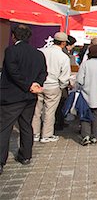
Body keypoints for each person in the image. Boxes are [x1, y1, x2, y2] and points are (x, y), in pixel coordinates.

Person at [0, 24, 47, 174]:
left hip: (12, 97)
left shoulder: (11, 51)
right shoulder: (38, 53)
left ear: (14, 36)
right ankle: (26, 155)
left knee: (4, 128)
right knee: (26, 125)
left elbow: (12, 72)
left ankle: (1, 161)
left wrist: (28, 86)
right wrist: (35, 85)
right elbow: (43, 73)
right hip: (30, 97)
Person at [32, 32, 71, 143]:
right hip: (53, 85)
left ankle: (35, 133)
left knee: (36, 110)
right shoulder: (63, 57)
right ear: (63, 43)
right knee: (49, 112)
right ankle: (46, 135)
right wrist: (61, 86)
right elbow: (64, 76)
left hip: (39, 84)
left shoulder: (41, 52)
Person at [55, 34, 77, 132]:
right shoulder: (64, 55)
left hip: (55, 82)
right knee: (60, 104)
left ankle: (59, 122)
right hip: (60, 83)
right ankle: (58, 124)